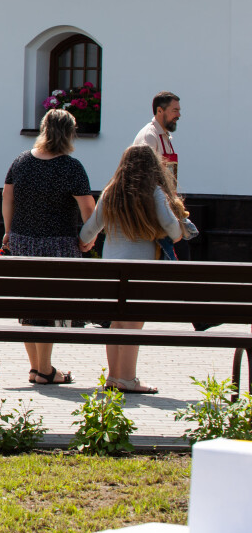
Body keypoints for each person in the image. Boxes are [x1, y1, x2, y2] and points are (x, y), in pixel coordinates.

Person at [2, 108, 96, 386]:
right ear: (68, 134)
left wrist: (8, 232)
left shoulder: (20, 162)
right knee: (47, 308)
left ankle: (37, 368)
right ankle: (44, 370)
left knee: (30, 307)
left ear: (43, 129)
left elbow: (7, 197)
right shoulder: (71, 167)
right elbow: (88, 208)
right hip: (58, 245)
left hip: (23, 241)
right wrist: (88, 238)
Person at [78, 145, 182, 394]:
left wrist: (87, 242)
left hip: (111, 272)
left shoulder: (111, 193)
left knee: (116, 324)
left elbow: (87, 233)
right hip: (140, 272)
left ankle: (114, 377)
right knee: (133, 325)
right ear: (153, 167)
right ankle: (128, 379)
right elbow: (175, 231)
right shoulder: (155, 193)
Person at [133, 91, 180, 183]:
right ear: (159, 111)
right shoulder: (149, 136)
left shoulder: (164, 136)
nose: (178, 115)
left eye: (179, 111)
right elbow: (144, 178)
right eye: (175, 111)